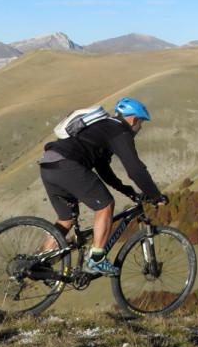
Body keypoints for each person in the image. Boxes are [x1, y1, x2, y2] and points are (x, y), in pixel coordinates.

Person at [38, 97, 168, 276]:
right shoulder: (120, 131)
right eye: (141, 123)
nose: (140, 128)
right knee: (105, 205)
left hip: (48, 165)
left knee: (66, 219)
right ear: (134, 119)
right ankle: (97, 259)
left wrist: (127, 191)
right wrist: (155, 195)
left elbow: (103, 169)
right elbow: (135, 169)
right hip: (68, 164)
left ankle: (39, 262)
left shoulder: (102, 127)